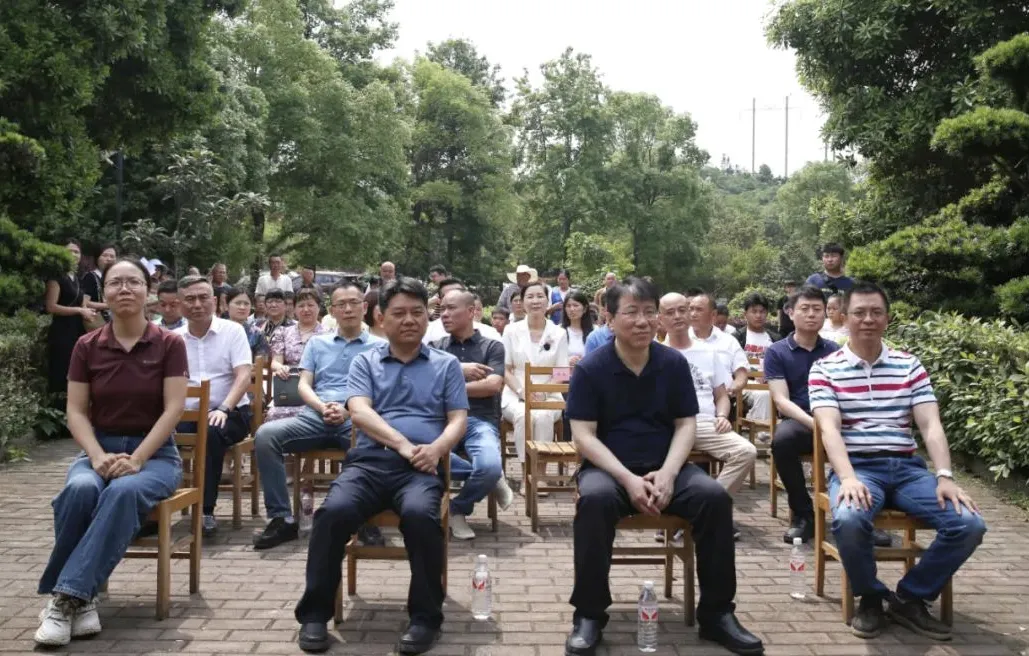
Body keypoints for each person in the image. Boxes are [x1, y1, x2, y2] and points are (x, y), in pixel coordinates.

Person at [563, 277, 763, 656]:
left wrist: (670, 473)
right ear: (609, 317)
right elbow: (583, 436)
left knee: (714, 498)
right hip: (609, 471)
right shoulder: (591, 368)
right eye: (631, 312)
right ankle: (588, 614)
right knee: (594, 501)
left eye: (648, 312)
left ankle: (718, 614)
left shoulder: (673, 364)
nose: (642, 321)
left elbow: (686, 424)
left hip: (667, 466)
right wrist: (627, 478)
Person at [294, 278, 468, 655]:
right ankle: (314, 615)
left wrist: (437, 449)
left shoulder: (447, 364)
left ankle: (425, 618)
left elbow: (458, 419)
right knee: (332, 514)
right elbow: (358, 411)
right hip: (370, 463)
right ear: (381, 318)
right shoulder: (366, 361)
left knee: (421, 517)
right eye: (399, 313)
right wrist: (403, 445)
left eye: (417, 312)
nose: (409, 320)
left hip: (422, 467)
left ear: (428, 317)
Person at [809, 281, 986, 640]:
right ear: (845, 318)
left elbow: (930, 424)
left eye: (876, 312)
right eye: (859, 312)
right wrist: (847, 477)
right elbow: (829, 430)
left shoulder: (909, 365)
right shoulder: (824, 369)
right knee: (849, 518)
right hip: (859, 468)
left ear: (887, 318)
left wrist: (945, 475)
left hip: (908, 470)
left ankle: (909, 597)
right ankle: (871, 597)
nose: (868, 319)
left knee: (969, 524)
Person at [35, 258, 187, 647]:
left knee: (123, 491)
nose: (125, 289)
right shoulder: (87, 346)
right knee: (80, 489)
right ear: (104, 292)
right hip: (97, 449)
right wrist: (96, 455)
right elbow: (75, 411)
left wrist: (137, 459)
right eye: (115, 282)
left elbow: (173, 409)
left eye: (133, 282)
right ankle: (84, 598)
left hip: (155, 457)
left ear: (148, 291)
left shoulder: (169, 344)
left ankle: (65, 598)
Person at [252, 283, 386, 550]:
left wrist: (348, 410)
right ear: (332, 311)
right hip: (315, 414)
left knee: (372, 443)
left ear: (365, 307)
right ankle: (281, 518)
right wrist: (322, 407)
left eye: (353, 303)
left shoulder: (381, 346)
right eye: (341, 304)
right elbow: (303, 384)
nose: (348, 309)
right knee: (266, 436)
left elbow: (383, 389)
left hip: (357, 417)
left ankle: (365, 519)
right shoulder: (318, 343)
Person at [662, 293, 757, 541]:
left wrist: (723, 415)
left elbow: (721, 395)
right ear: (660, 319)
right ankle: (698, 514)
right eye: (670, 312)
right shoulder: (655, 353)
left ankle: (700, 510)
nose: (678, 316)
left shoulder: (708, 352)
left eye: (683, 310)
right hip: (668, 427)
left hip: (704, 423)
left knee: (746, 451)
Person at [432, 290, 514, 540]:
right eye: (442, 309)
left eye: (451, 308)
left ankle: (457, 508)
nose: (444, 314)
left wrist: (448, 384)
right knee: (421, 457)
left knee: (488, 466)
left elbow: (492, 386)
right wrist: (459, 371)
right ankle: (492, 479)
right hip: (441, 422)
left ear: (471, 312)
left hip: (479, 421)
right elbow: (426, 385)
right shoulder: (435, 348)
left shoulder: (492, 347)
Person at [175, 276, 254, 536]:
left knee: (210, 433)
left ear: (215, 301)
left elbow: (244, 376)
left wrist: (224, 408)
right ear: (180, 304)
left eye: (203, 298)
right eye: (190, 299)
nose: (197, 304)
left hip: (230, 412)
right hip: (185, 415)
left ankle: (205, 510)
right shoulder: (172, 338)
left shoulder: (233, 331)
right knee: (150, 432)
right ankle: (151, 508)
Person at [763, 285, 841, 543]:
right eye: (804, 309)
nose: (811, 314)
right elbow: (781, 400)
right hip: (799, 419)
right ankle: (804, 514)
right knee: (782, 442)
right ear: (790, 312)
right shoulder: (777, 351)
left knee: (865, 438)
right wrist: (814, 424)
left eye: (817, 309)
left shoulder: (835, 351)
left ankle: (862, 512)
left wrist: (830, 424)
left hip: (835, 418)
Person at [501, 281, 570, 472]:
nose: (535, 301)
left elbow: (562, 371)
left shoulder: (559, 333)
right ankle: (526, 473)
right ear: (522, 302)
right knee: (524, 415)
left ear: (548, 301)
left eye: (540, 296)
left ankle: (539, 473)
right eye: (530, 297)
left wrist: (543, 392)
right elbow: (505, 369)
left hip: (549, 393)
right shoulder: (511, 331)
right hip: (516, 392)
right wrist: (523, 392)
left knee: (543, 416)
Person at [265, 289, 328, 423]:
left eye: (310, 305)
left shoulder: (329, 335)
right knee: (273, 415)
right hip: (290, 391)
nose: (306, 309)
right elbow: (275, 362)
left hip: (319, 392)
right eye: (301, 305)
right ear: (294, 309)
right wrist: (280, 368)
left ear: (319, 307)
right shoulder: (283, 332)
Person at [46, 240, 96, 397]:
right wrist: (79, 310)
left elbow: (82, 302)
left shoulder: (77, 277)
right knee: (61, 368)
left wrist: (87, 310)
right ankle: (57, 404)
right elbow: (51, 307)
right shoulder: (56, 277)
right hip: (62, 331)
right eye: (70, 251)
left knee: (76, 368)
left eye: (77, 252)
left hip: (77, 329)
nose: (74, 255)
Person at [688, 293, 749, 398]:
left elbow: (741, 373)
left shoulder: (729, 341)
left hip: (724, 397)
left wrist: (733, 387)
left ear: (713, 314)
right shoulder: (679, 339)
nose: (693, 314)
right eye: (691, 309)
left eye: (699, 310)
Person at [225, 287, 268, 360]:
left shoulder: (257, 334)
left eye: (246, 304)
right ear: (227, 305)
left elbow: (262, 361)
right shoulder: (217, 330)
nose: (242, 307)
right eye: (238, 303)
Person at [80, 244, 117, 320]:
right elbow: (84, 302)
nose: (109, 259)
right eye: (105, 255)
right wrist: (109, 305)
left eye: (112, 256)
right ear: (97, 258)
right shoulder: (90, 277)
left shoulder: (115, 279)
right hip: (97, 320)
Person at [561, 290, 594, 366]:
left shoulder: (595, 331)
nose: (572, 309)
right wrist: (566, 361)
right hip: (564, 372)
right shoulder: (558, 331)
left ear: (585, 308)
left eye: (575, 305)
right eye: (568, 306)